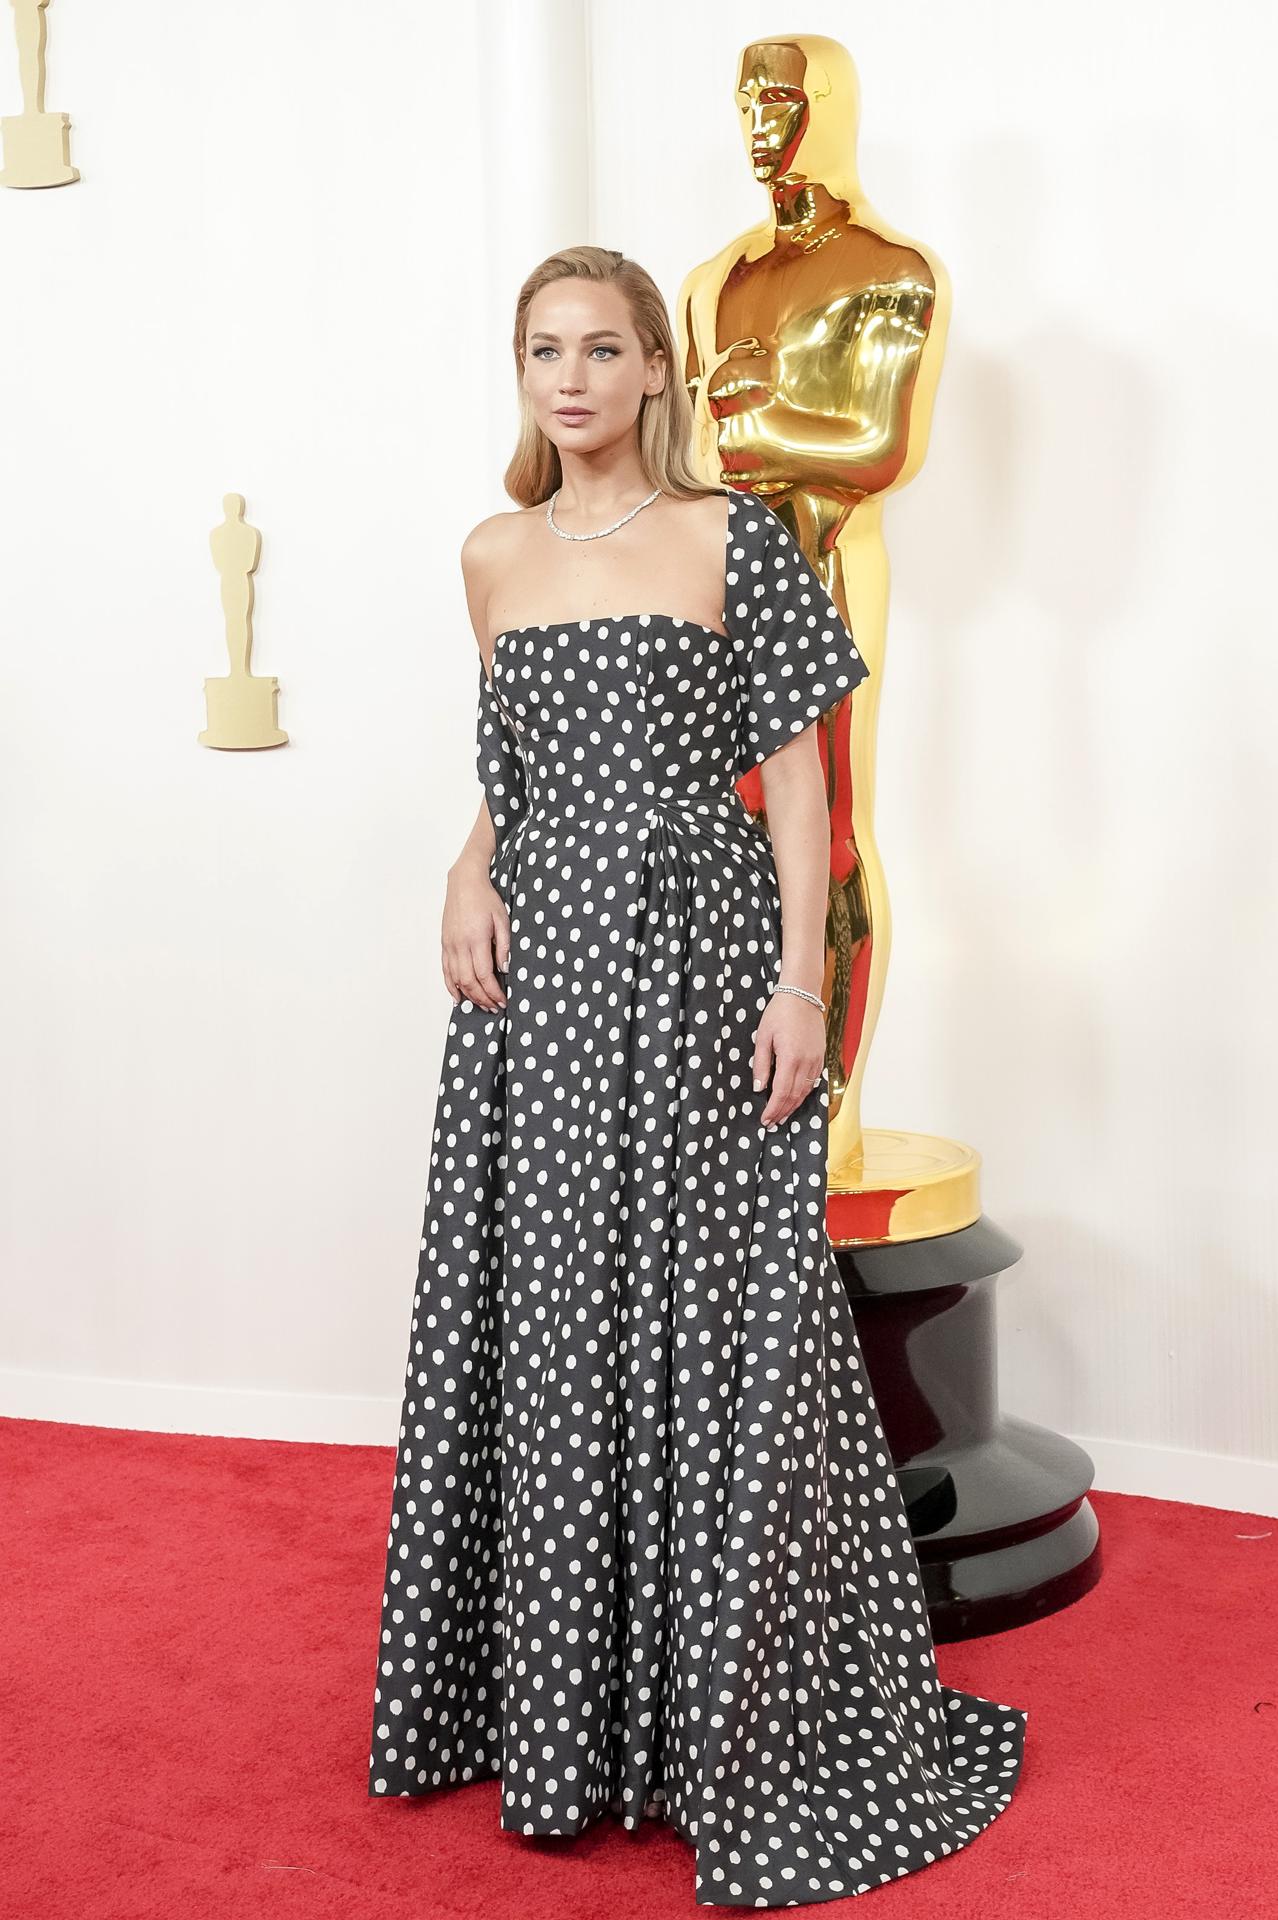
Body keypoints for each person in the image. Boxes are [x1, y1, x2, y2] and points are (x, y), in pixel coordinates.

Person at [368, 245, 1028, 1908]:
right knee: (562, 1316)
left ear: (657, 371)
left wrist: (801, 977)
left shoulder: (730, 535)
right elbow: (514, 766)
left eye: (602, 349)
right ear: (518, 376)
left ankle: (727, 1722)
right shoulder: (490, 554)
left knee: (728, 1324)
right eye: (542, 352)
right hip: (544, 984)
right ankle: (574, 1720)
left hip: (703, 959)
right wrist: (467, 866)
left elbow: (801, 775)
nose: (571, 378)